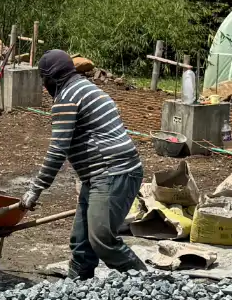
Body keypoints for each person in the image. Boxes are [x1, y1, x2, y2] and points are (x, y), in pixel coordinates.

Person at [21, 49, 146, 279]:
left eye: (44, 79)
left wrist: (35, 189)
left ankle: (150, 285)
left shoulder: (67, 96)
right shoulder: (85, 87)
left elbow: (58, 149)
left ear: (53, 78)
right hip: (101, 174)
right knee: (81, 243)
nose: (44, 86)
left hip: (112, 171)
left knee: (101, 240)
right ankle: (77, 286)